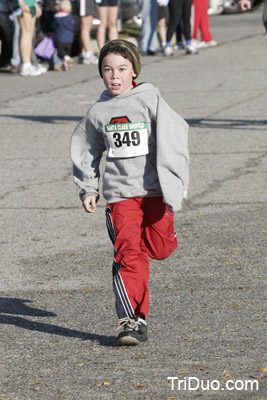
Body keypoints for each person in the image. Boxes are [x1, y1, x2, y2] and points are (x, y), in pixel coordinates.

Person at [70, 39, 189, 346]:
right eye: (107, 70)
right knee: (128, 252)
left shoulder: (150, 99)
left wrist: (174, 185)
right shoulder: (98, 111)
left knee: (160, 248)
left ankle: (159, 237)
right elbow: (88, 149)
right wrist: (88, 188)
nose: (115, 76)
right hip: (121, 194)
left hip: (155, 191)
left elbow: (176, 138)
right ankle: (131, 321)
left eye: (122, 69)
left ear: (134, 70)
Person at [12, 0, 45, 76]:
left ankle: (29, 63)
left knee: (30, 34)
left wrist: (36, 5)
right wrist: (21, 3)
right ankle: (25, 65)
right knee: (25, 34)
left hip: (31, 4)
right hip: (24, 4)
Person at [51, 0, 74, 71]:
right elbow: (72, 25)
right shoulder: (70, 16)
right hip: (70, 38)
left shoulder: (57, 16)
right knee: (67, 52)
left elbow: (53, 26)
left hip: (60, 38)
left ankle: (67, 59)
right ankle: (65, 65)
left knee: (61, 53)